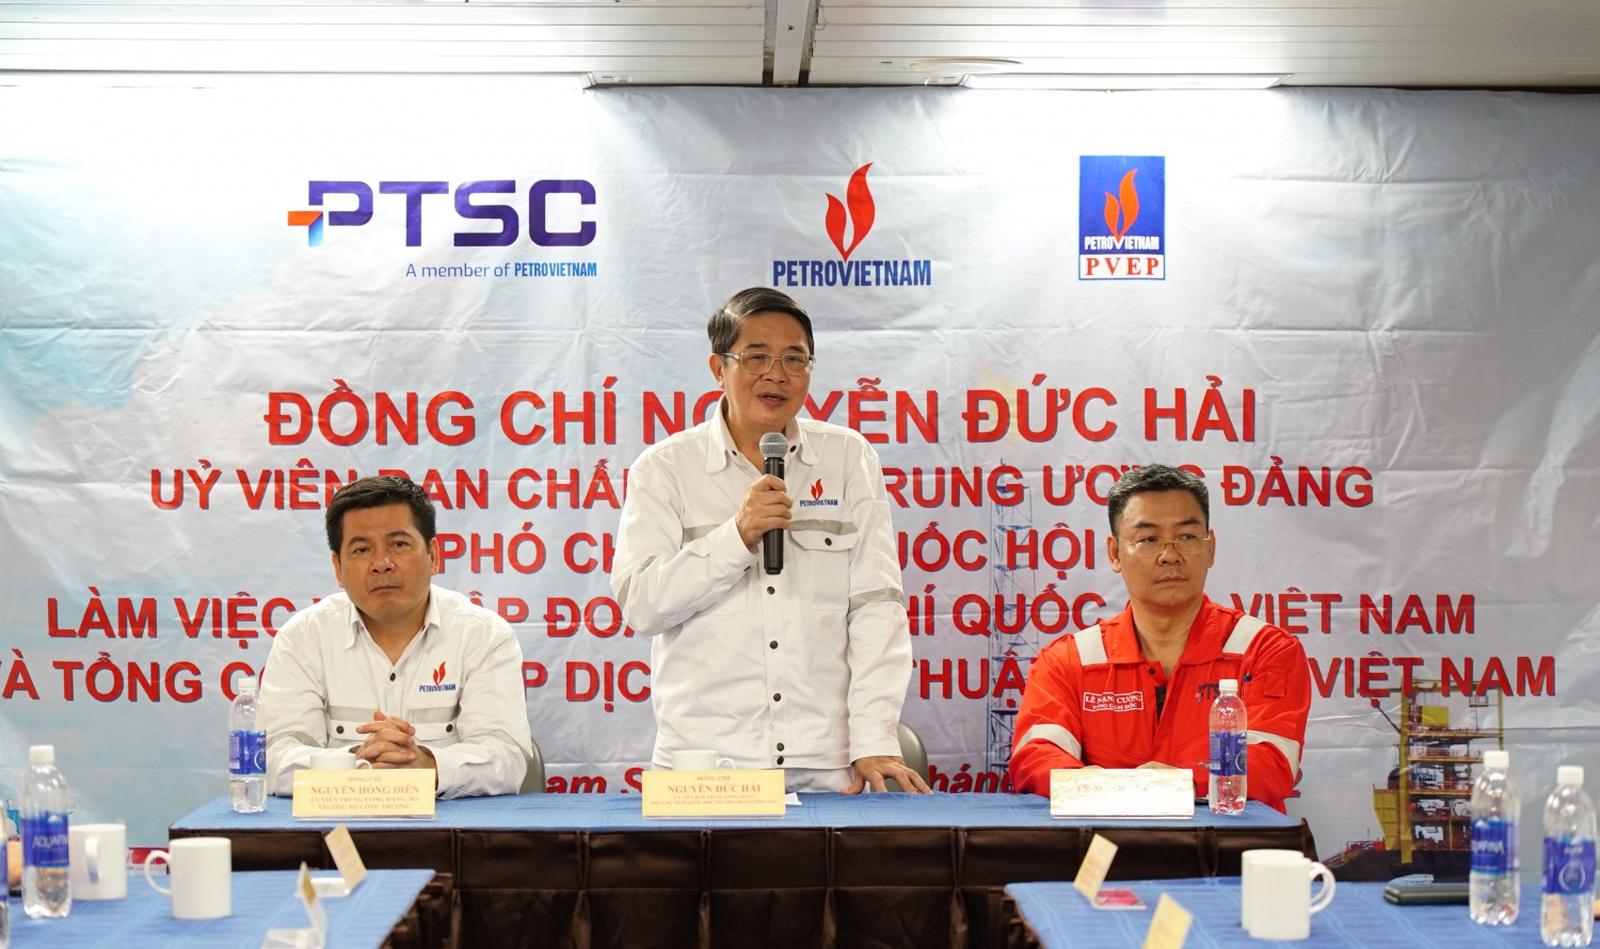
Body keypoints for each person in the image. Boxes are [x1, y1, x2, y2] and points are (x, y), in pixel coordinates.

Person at [611, 287, 929, 794]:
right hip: (705, 766)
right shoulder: (665, 468)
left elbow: (876, 606)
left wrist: (873, 738)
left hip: (826, 764)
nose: (776, 374)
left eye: (794, 359)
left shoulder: (847, 458)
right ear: (719, 368)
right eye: (756, 357)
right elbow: (643, 607)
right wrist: (736, 537)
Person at [1009, 464, 1311, 811]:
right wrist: (1110, 786)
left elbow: (1271, 763)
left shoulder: (1265, 650)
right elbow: (1035, 757)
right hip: (1106, 843)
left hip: (1226, 843)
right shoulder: (1068, 661)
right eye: (1148, 539)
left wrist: (1176, 784)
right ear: (1114, 553)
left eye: (1187, 537)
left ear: (1211, 548)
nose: (1170, 555)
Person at [260, 475, 532, 798]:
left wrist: (427, 766)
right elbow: (273, 758)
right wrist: (360, 762)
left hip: (453, 827)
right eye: (362, 549)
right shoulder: (303, 637)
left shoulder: (483, 635)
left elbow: (506, 756)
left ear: (433, 555)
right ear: (338, 568)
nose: (382, 564)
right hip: (336, 826)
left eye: (399, 544)